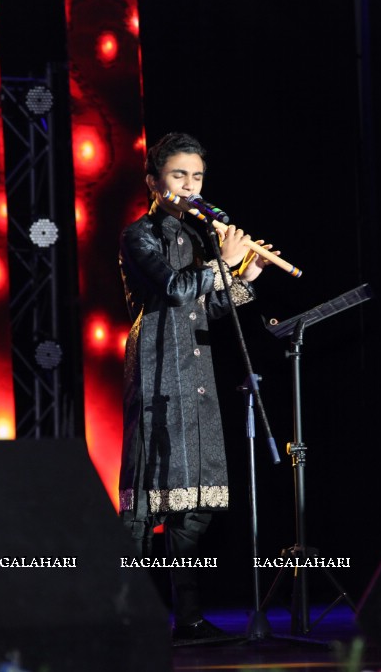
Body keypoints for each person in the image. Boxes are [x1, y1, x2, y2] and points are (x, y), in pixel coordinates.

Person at [118, 132, 277, 640]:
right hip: (156, 367)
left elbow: (208, 307)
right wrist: (223, 265)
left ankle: (186, 617)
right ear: (154, 181)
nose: (190, 185)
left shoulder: (200, 237)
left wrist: (246, 272)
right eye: (179, 175)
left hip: (198, 374)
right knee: (146, 506)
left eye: (198, 177)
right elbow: (173, 287)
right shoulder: (139, 235)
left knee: (197, 505)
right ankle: (126, 613)